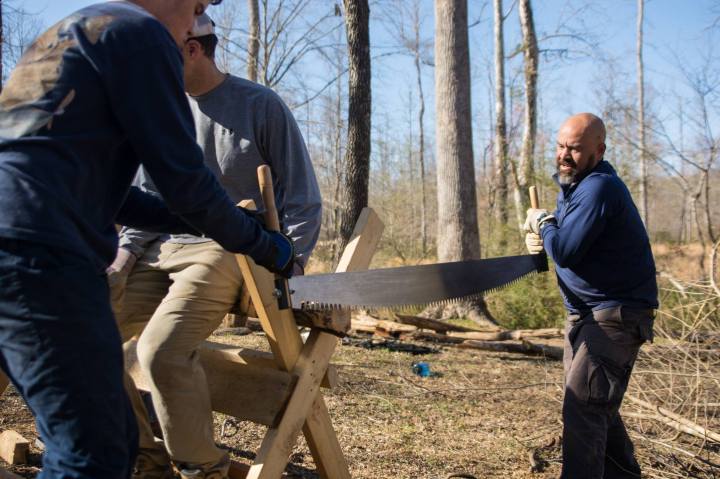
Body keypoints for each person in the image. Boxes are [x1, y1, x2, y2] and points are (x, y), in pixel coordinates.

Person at [0, 1, 296, 478]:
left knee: (109, 440)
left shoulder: (75, 30)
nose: (191, 25)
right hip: (42, 250)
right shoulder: (142, 34)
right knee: (90, 458)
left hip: (25, 236)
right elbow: (187, 185)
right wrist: (261, 244)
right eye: (197, 5)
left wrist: (207, 225)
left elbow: (118, 198)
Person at [109, 13, 322, 479]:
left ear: (192, 48)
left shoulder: (259, 105)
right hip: (157, 246)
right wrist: (123, 259)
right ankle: (144, 459)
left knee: (159, 351)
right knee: (89, 338)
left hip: (226, 249)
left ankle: (202, 468)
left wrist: (294, 263)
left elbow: (302, 198)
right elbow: (145, 199)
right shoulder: (162, 111)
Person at [524, 113, 657, 478]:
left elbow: (565, 251)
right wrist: (543, 232)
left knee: (583, 410)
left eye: (576, 149)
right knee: (598, 408)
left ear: (599, 150)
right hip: (586, 317)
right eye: (561, 146)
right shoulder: (574, 188)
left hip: (614, 316)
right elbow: (567, 247)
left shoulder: (599, 188)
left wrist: (546, 227)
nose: (565, 155)